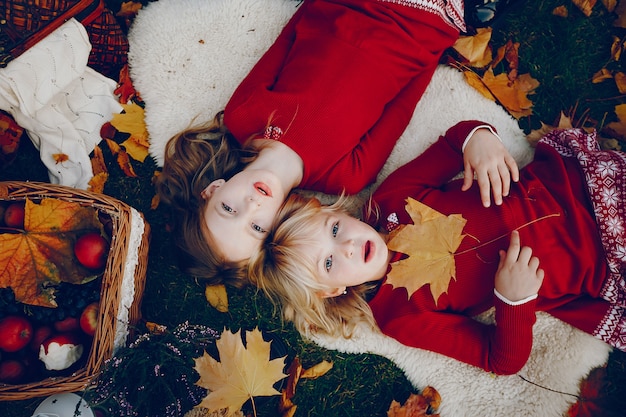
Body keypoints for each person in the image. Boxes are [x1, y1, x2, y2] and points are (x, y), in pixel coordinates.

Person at [250, 120, 626, 375]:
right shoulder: (401, 317)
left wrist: (478, 140)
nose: (347, 244)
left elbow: (451, 144)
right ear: (332, 291)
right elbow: (500, 359)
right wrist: (514, 302)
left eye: (334, 229)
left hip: (582, 186)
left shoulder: (391, 201)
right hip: (598, 261)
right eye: (329, 262)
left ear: (337, 212)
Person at [155, 0, 465, 285]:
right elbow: (401, 107)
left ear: (212, 189)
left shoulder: (243, 116)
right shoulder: (345, 175)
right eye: (256, 227)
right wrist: (439, 38)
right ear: (276, 228)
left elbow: (286, 40)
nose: (251, 206)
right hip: (421, 24)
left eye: (228, 208)